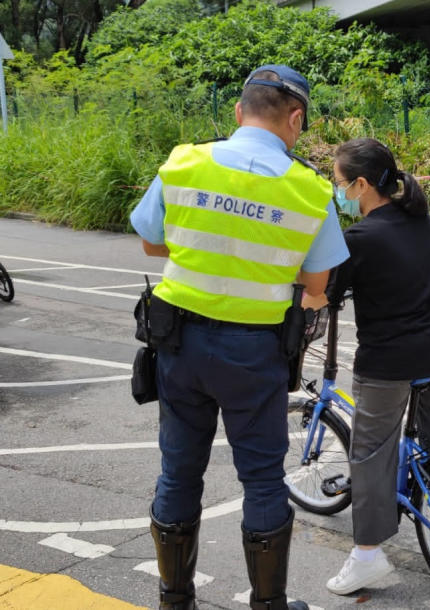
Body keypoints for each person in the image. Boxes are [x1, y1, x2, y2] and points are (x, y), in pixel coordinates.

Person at [130, 65, 348, 610]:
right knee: (263, 479)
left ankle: (174, 599)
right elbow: (317, 284)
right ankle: (268, 605)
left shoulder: (184, 163)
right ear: (295, 118)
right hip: (255, 353)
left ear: (237, 113)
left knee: (178, 472)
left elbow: (152, 241)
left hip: (178, 343)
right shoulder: (309, 189)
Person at [324, 137, 430, 595]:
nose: (339, 192)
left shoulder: (359, 237)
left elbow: (322, 290)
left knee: (369, 452)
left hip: (390, 361)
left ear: (362, 184)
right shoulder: (417, 219)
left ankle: (367, 554)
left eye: (341, 184)